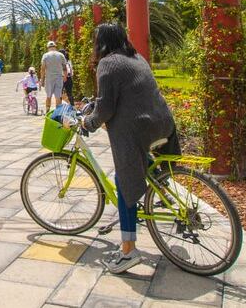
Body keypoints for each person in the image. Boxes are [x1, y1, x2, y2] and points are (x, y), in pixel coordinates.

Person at [70, 23, 175, 274]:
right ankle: (161, 191)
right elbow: (122, 93)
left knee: (123, 180)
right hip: (163, 123)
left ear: (101, 42)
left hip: (138, 128)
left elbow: (106, 109)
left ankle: (128, 250)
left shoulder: (107, 64)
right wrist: (94, 104)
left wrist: (89, 122)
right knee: (139, 166)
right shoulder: (136, 57)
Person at [39, 40, 68, 111]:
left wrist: (42, 80)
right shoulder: (61, 55)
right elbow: (64, 67)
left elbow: (43, 69)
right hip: (59, 78)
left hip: (49, 79)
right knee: (58, 97)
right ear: (55, 47)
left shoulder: (45, 56)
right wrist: (65, 76)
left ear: (48, 47)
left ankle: (47, 111)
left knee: (48, 96)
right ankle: (58, 113)